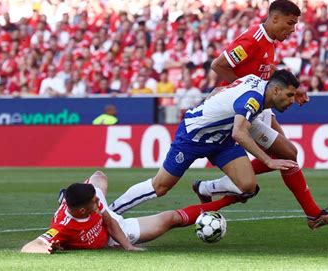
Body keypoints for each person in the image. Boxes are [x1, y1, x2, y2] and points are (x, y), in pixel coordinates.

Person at [208, 0, 328, 229]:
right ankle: (313, 214)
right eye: (290, 23)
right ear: (274, 18)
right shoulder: (252, 40)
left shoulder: (269, 41)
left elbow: (266, 69)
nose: (292, 30)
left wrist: (293, 89)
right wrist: (244, 90)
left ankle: (210, 187)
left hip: (261, 104)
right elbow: (218, 65)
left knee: (288, 155)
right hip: (245, 106)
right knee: (288, 153)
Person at [109, 70, 300, 215]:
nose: (292, 100)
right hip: (194, 136)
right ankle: (110, 214)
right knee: (160, 186)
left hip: (221, 137)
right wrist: (269, 161)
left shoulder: (256, 82)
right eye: (290, 95)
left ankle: (204, 187)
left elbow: (220, 89)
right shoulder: (254, 98)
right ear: (275, 90)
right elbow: (239, 133)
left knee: (248, 186)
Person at [21, 171, 238, 254]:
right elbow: (28, 247)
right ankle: (230, 199)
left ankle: (68, 194)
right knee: (170, 218)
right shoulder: (63, 226)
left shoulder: (94, 205)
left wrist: (128, 246)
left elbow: (108, 219)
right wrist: (46, 249)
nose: (99, 201)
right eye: (94, 201)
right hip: (107, 240)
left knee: (99, 176)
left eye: (98, 199)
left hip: (116, 228)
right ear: (81, 209)